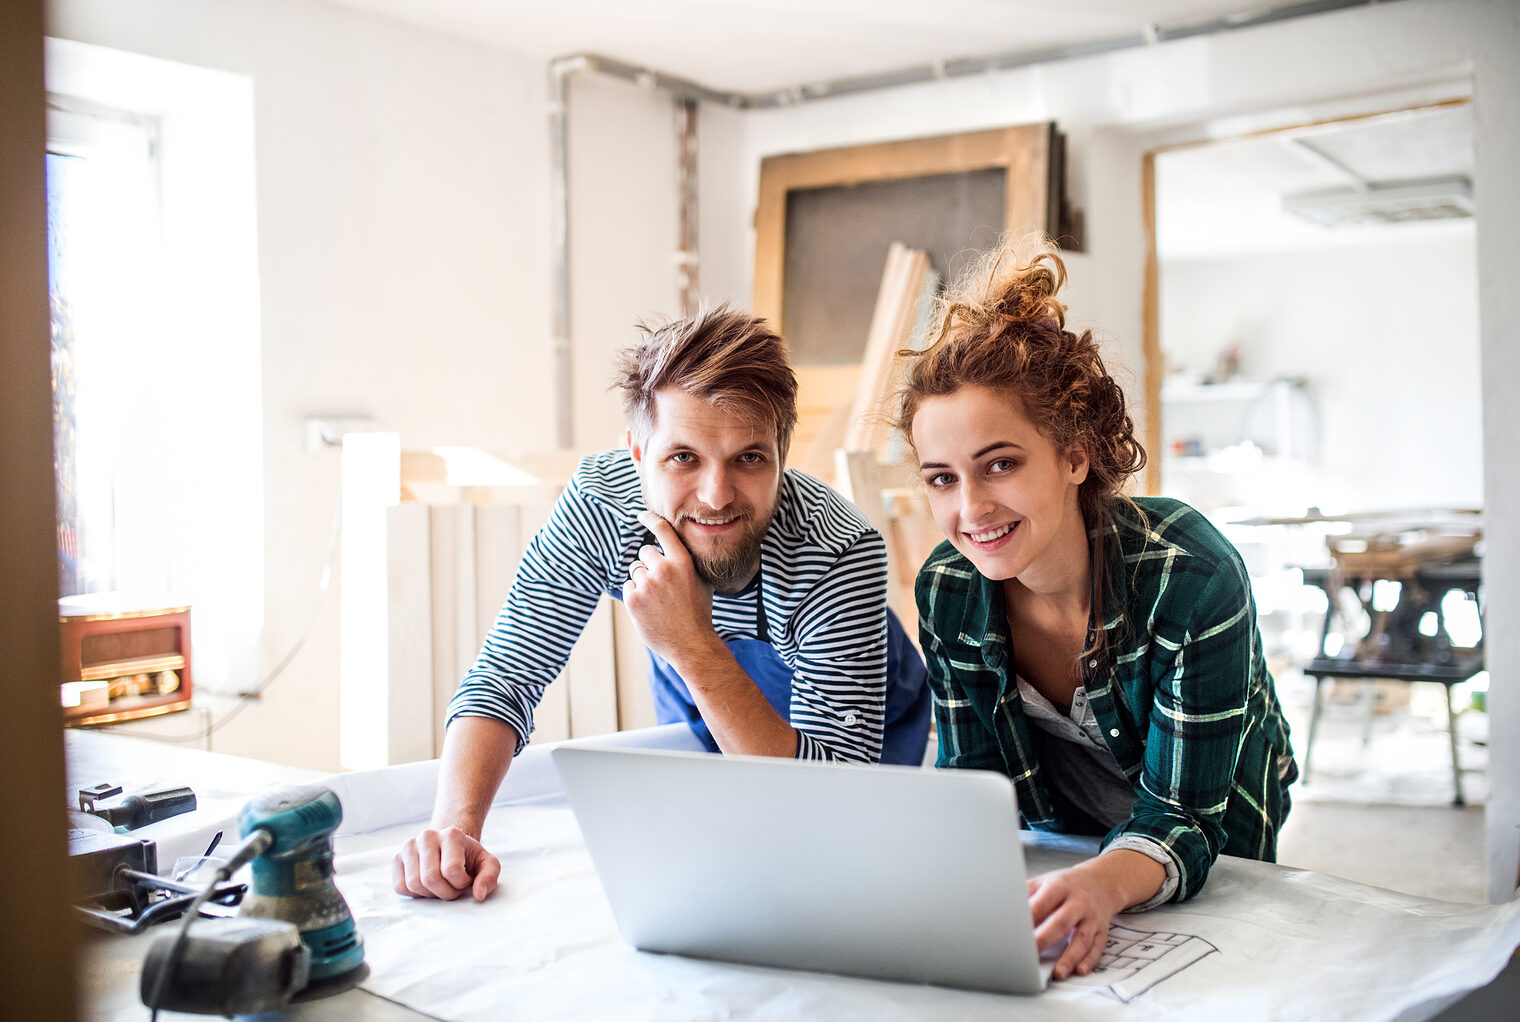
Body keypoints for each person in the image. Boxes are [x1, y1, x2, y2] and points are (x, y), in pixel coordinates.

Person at [394, 304, 931, 902]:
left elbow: (833, 798)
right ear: (636, 454)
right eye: (683, 457)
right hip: (701, 708)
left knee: (827, 877)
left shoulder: (838, 549)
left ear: (783, 454)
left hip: (866, 732)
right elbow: (504, 678)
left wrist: (693, 646)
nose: (716, 495)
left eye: (749, 458)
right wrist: (453, 828)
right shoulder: (602, 506)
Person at [894, 239, 1296, 982]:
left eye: (1000, 464)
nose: (971, 508)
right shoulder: (948, 590)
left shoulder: (1192, 576)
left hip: (1213, 812)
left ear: (1075, 456)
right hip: (1067, 829)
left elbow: (1185, 818)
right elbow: (975, 792)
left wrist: (1105, 884)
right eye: (942, 478)